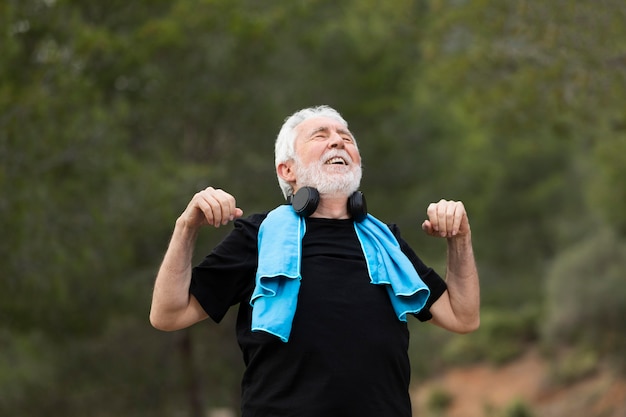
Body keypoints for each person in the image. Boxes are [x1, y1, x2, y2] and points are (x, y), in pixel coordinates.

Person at [150, 105, 480, 417]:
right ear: (287, 169)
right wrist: (186, 227)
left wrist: (460, 240)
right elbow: (169, 313)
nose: (338, 140)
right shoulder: (258, 235)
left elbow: (462, 316)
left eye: (346, 137)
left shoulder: (386, 242)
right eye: (320, 135)